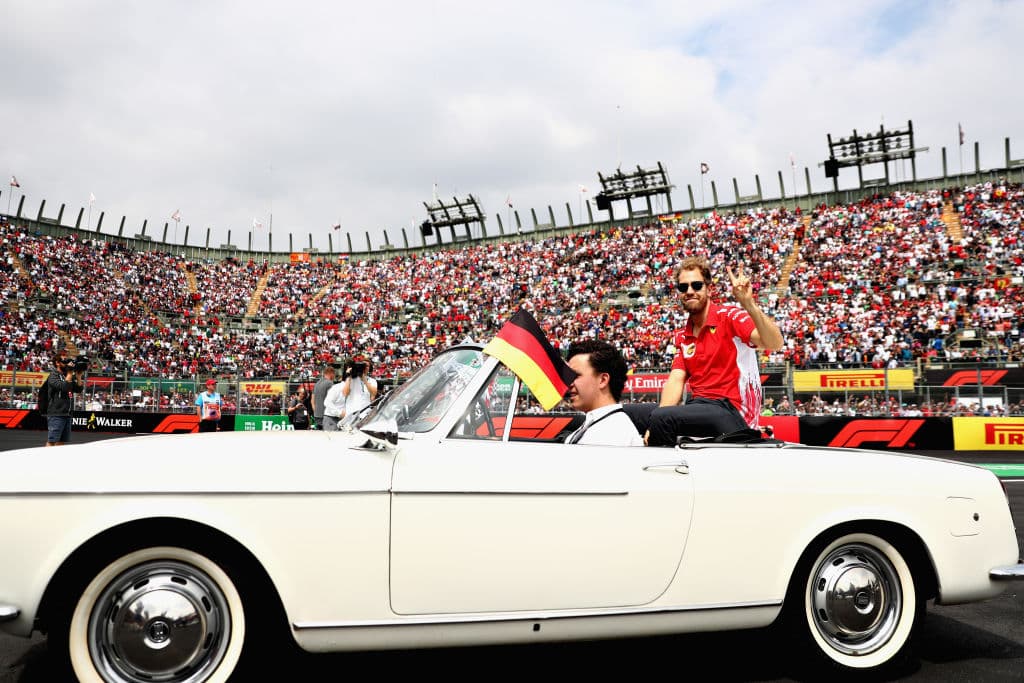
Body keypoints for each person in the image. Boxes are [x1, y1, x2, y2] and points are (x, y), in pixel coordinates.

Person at [645, 256, 784, 447]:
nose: (690, 291)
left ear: (709, 289)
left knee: (661, 418)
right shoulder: (683, 336)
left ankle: (666, 472)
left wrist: (749, 304)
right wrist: (653, 422)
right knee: (632, 414)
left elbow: (774, 343)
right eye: (683, 287)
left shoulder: (730, 316)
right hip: (701, 407)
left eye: (696, 285)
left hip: (734, 412)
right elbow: (676, 380)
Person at [562, 339, 644, 446]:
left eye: (576, 376)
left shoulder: (612, 432)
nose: (569, 383)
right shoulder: (603, 425)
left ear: (603, 380)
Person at [43, 340, 84, 446]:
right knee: (52, 441)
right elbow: (64, 387)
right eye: (64, 361)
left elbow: (78, 389)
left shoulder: (67, 375)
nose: (66, 363)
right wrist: (70, 373)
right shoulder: (53, 375)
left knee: (61, 441)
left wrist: (78, 376)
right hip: (56, 413)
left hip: (67, 413)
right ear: (57, 363)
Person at [340, 356, 378, 429]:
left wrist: (364, 379)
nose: (364, 368)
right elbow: (345, 393)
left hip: (364, 415)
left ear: (370, 368)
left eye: (366, 366)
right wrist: (349, 376)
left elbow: (373, 394)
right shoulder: (351, 379)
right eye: (362, 366)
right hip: (351, 416)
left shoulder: (372, 381)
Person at [311, 365, 337, 430]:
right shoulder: (330, 383)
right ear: (331, 373)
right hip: (326, 416)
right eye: (334, 375)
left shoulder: (317, 384)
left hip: (317, 415)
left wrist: (316, 411)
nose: (334, 377)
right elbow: (332, 400)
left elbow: (312, 401)